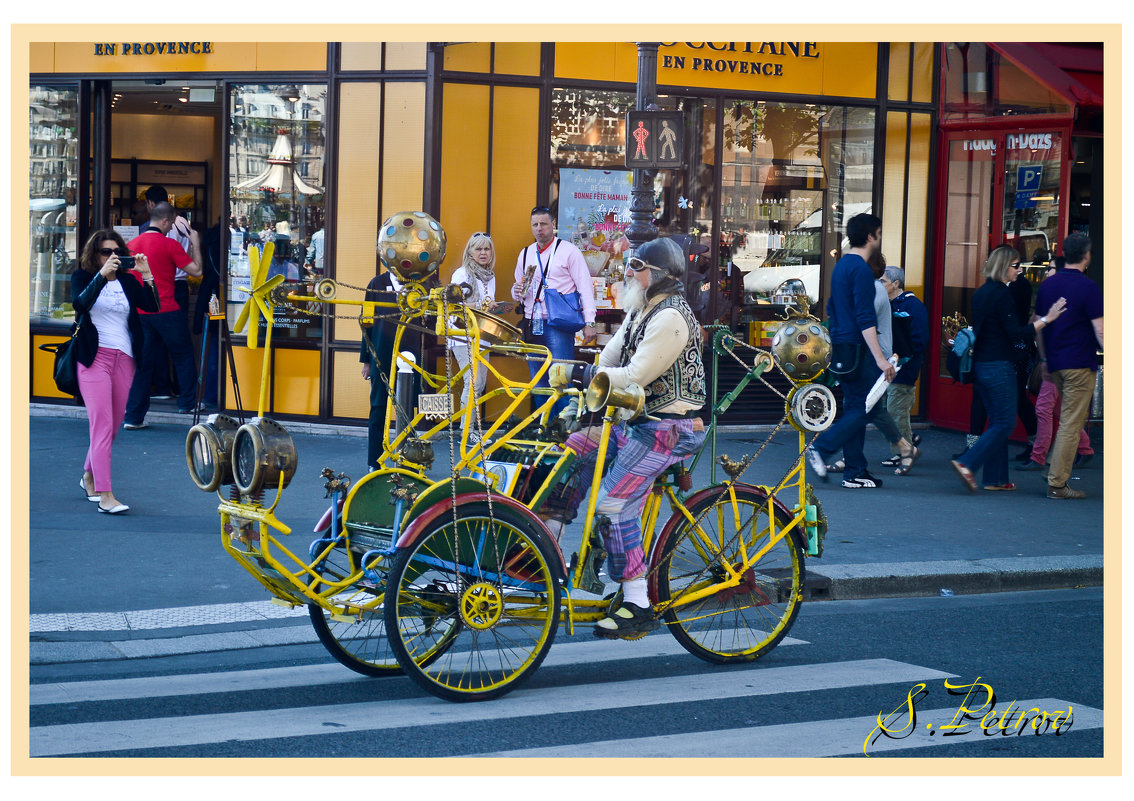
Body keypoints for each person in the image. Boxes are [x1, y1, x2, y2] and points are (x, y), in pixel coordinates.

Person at [540, 237, 706, 638]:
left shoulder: (671, 318)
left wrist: (586, 377)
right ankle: (547, 549)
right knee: (574, 452)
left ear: (660, 274)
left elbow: (634, 377)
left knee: (613, 503)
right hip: (637, 424)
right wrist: (580, 376)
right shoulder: (642, 309)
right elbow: (609, 359)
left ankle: (637, 602)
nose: (629, 272)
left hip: (670, 429)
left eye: (637, 266)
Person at [951, 246, 1065, 493]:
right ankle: (968, 462)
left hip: (981, 363)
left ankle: (996, 478)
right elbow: (1014, 331)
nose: (1020, 269)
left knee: (996, 422)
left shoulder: (981, 293)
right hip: (999, 364)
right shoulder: (1003, 294)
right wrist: (1047, 319)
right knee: (1003, 422)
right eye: (1015, 265)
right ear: (1004, 267)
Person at [804, 213, 895, 489]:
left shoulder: (842, 266)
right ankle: (823, 448)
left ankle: (855, 471)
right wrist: (881, 359)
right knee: (865, 408)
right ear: (870, 236)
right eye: (878, 233)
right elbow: (866, 318)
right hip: (859, 347)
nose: (879, 238)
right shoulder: (862, 271)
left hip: (841, 346)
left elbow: (832, 308)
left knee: (856, 406)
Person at [72, 229, 160, 513]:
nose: (111, 257)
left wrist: (147, 274)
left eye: (116, 252)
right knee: (101, 426)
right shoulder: (83, 277)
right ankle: (106, 495)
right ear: (94, 255)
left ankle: (88, 475)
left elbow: (153, 305)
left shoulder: (127, 281)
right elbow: (79, 304)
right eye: (105, 252)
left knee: (113, 426)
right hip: (93, 359)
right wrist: (101, 277)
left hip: (124, 358)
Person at [1034, 233, 1103, 499]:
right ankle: (1057, 482)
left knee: (1064, 417)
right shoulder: (1089, 288)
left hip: (1054, 362)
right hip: (1079, 363)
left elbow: (1039, 325)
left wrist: (1043, 359)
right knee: (1071, 424)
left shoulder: (1048, 285)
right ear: (1086, 255)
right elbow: (1100, 330)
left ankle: (1054, 464)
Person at [123, 202, 204, 428]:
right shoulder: (169, 245)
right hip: (167, 309)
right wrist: (195, 243)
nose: (171, 230)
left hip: (139, 312)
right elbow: (197, 271)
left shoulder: (131, 245)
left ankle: (133, 417)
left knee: (141, 364)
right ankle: (187, 403)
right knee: (183, 356)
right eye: (171, 225)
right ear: (166, 221)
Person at [511, 205, 597, 416]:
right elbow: (519, 292)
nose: (539, 229)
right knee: (539, 384)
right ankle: (544, 432)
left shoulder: (569, 251)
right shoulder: (525, 254)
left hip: (558, 325)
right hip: (532, 324)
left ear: (553, 225)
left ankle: (566, 434)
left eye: (544, 224)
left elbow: (585, 287)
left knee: (562, 379)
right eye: (535, 225)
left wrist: (590, 322)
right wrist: (516, 291)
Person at [880, 266, 929, 463]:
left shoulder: (913, 305)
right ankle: (905, 445)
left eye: (883, 281)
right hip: (885, 367)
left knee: (895, 410)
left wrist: (900, 358)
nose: (879, 285)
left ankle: (904, 453)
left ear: (896, 284)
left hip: (904, 368)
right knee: (886, 411)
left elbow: (919, 339)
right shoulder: (886, 304)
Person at [448, 232, 498, 417]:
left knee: (479, 384)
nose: (483, 252)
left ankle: (468, 430)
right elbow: (453, 306)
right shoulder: (461, 274)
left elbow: (486, 306)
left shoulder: (490, 277)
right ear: (470, 252)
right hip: (462, 335)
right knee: (474, 383)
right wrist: (482, 305)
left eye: (487, 248)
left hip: (483, 335)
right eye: (478, 249)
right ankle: (467, 432)